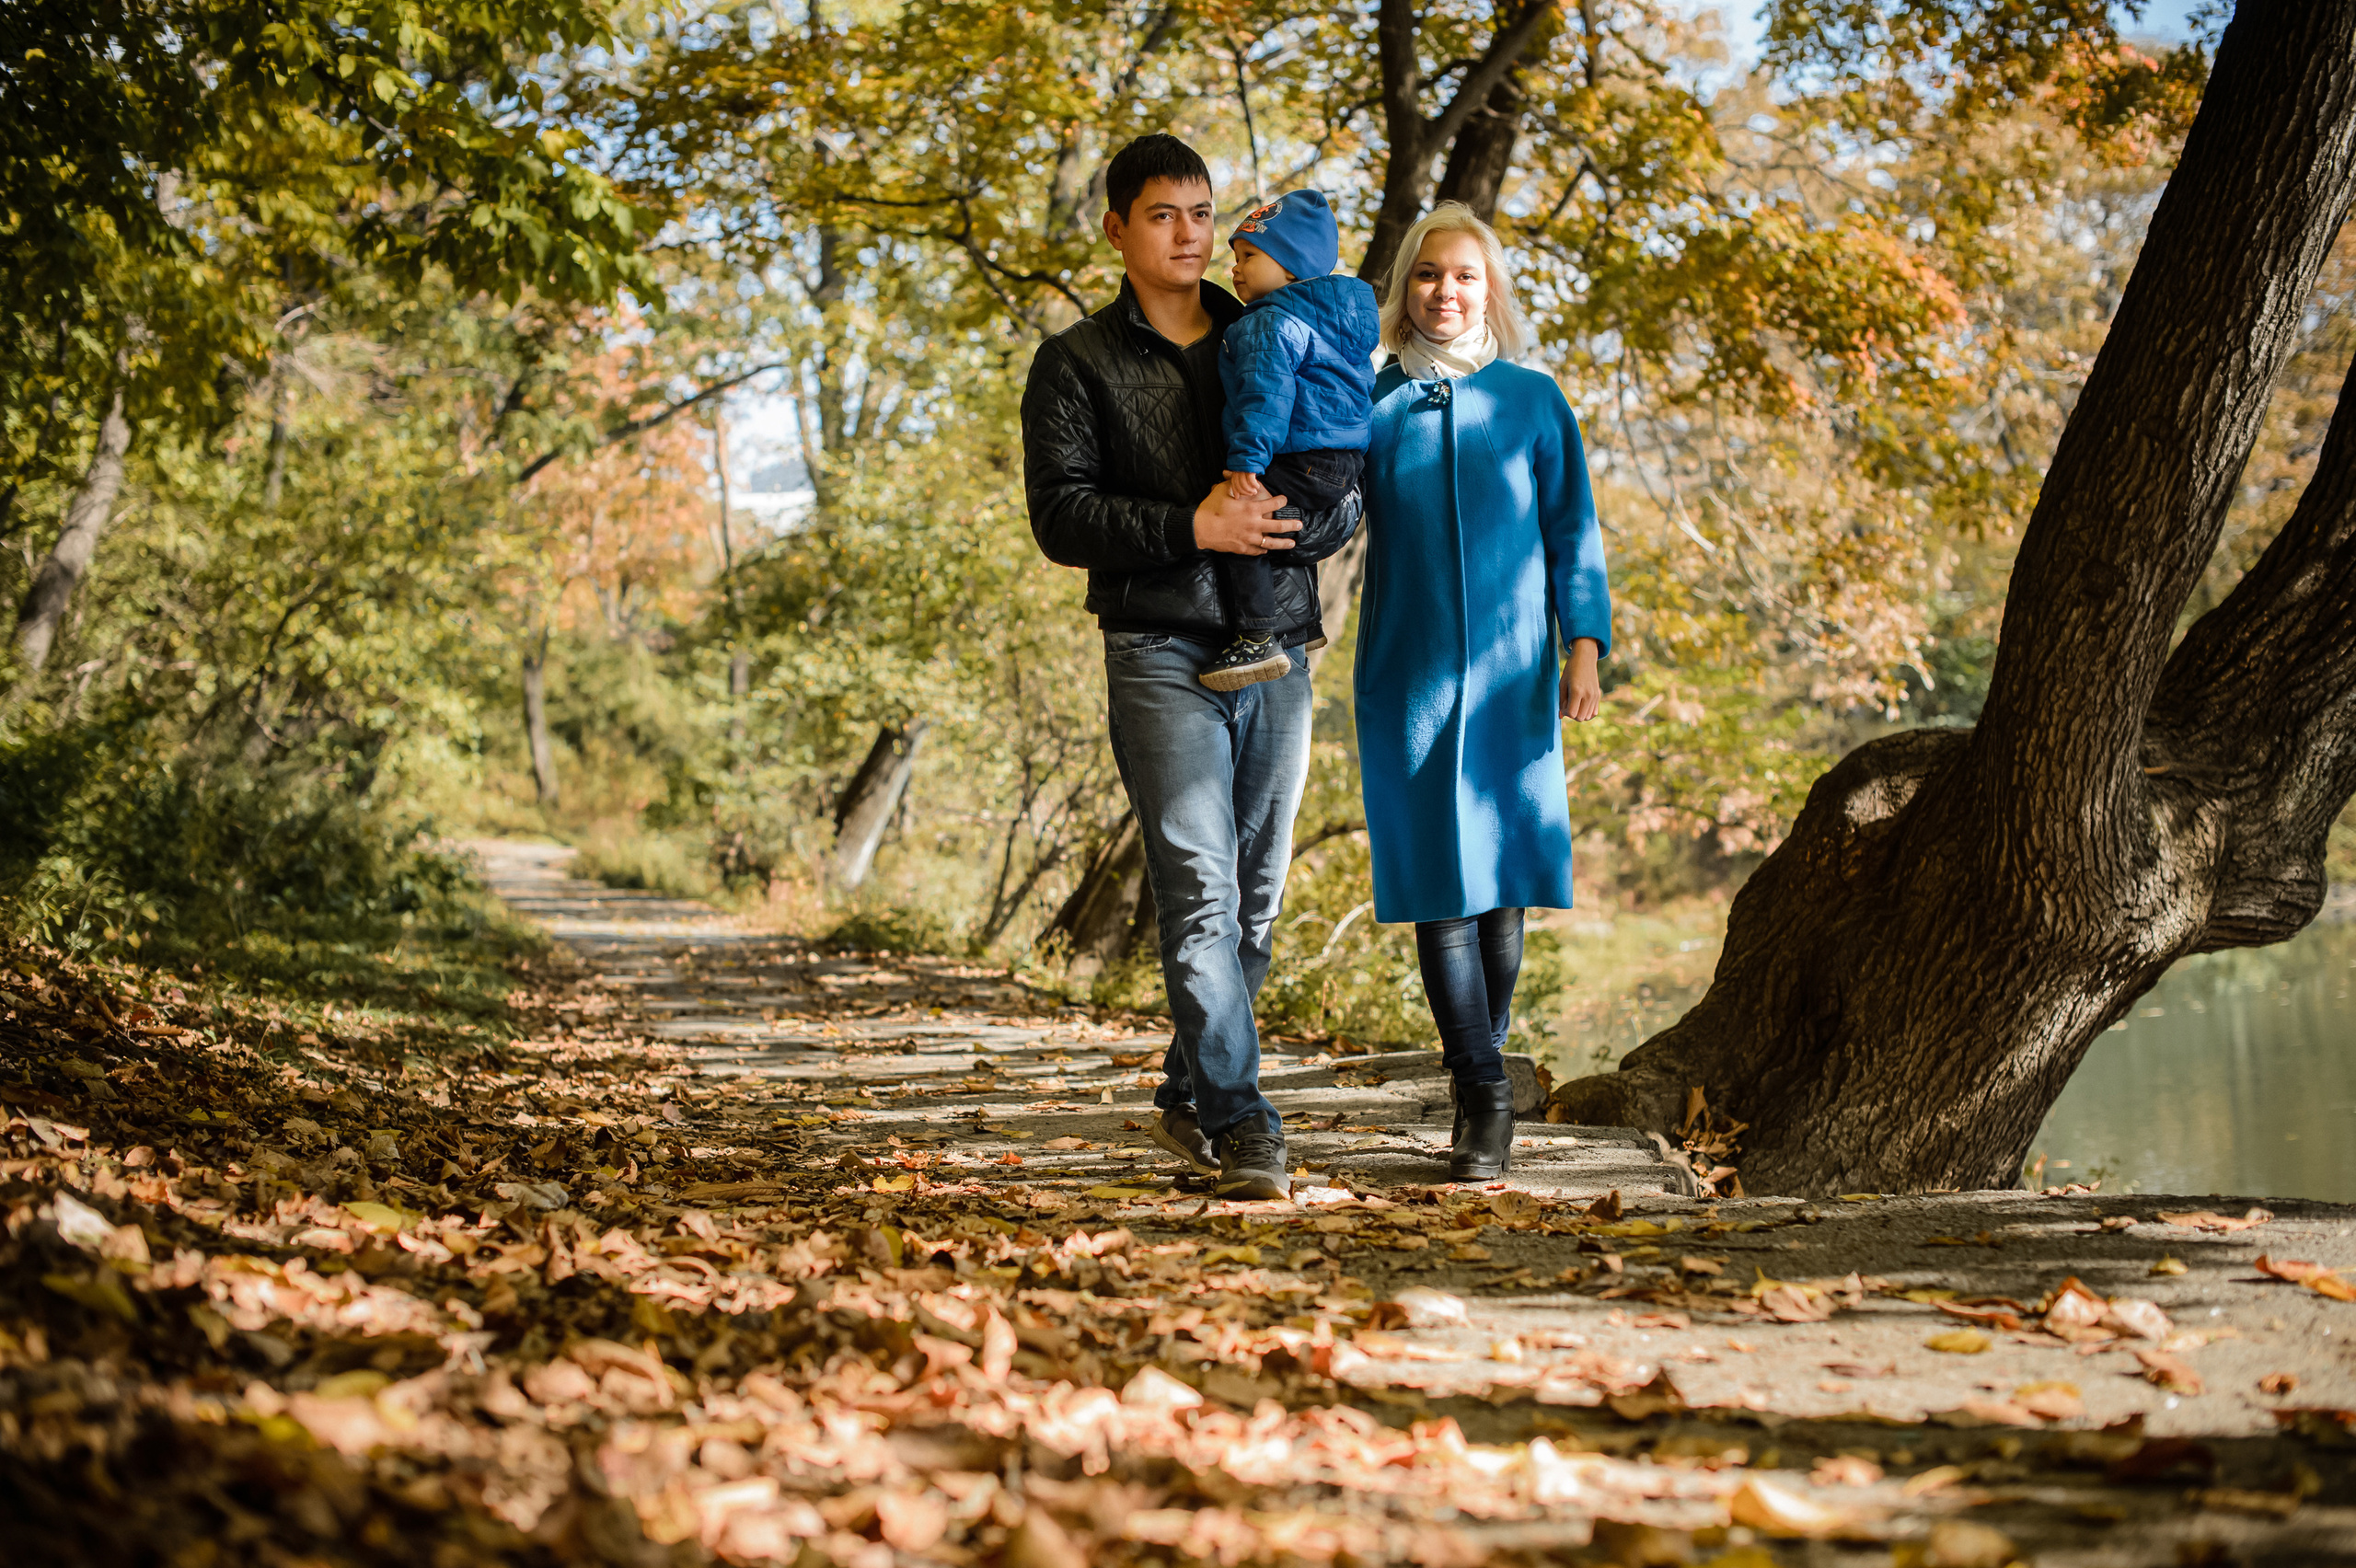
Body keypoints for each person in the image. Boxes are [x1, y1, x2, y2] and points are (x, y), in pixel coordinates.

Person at [1022, 134, 1364, 1200]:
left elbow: (1345, 460)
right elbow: (1060, 517)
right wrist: (1192, 526)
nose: (1188, 233)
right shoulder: (1076, 361)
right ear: (1117, 226)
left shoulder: (1273, 322)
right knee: (1202, 894)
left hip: (1277, 652)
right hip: (1157, 647)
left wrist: (1320, 518)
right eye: (1163, 214)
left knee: (1256, 901)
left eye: (1203, 213)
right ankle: (1246, 1123)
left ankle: (1187, 1094)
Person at [1354, 202, 1612, 1182]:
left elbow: (1572, 532)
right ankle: (1485, 1091)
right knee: (1439, 888)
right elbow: (1325, 512)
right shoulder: (1370, 402)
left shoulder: (1533, 401)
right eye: (1427, 275)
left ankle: (1478, 1070)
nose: (1444, 291)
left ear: (1490, 289)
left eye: (1463, 275)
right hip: (1407, 674)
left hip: (1513, 677)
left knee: (1501, 885)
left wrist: (1582, 647)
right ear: (1404, 289)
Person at [1201, 190, 1380, 691]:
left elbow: (1267, 394)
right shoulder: (1337, 322)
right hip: (1342, 462)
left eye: (1250, 256)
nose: (1235, 268)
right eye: (1235, 257)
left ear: (1291, 267)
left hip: (1297, 455)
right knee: (1281, 526)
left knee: (1240, 523)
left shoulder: (1269, 322)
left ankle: (1258, 637)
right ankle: (1304, 625)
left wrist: (1246, 460)